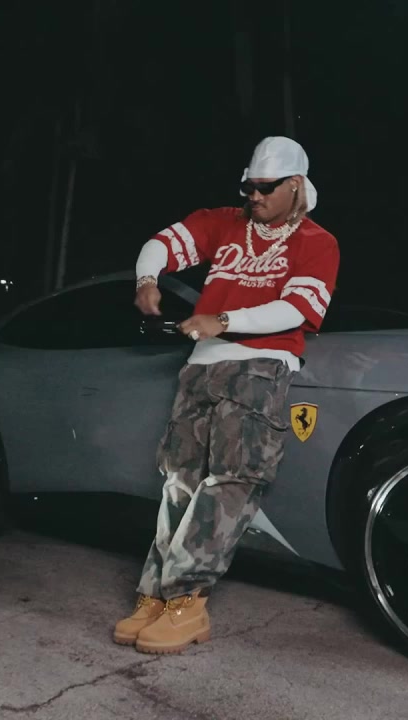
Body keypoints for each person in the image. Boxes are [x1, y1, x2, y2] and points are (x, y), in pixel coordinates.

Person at [113, 136, 340, 654]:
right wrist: (146, 279)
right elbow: (162, 242)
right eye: (248, 187)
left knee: (231, 481)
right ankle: (155, 592)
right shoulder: (224, 222)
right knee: (179, 480)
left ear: (296, 185)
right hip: (201, 365)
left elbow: (297, 310)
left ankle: (187, 600)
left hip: (260, 366)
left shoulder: (318, 241)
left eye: (265, 188)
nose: (254, 196)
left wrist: (224, 319)